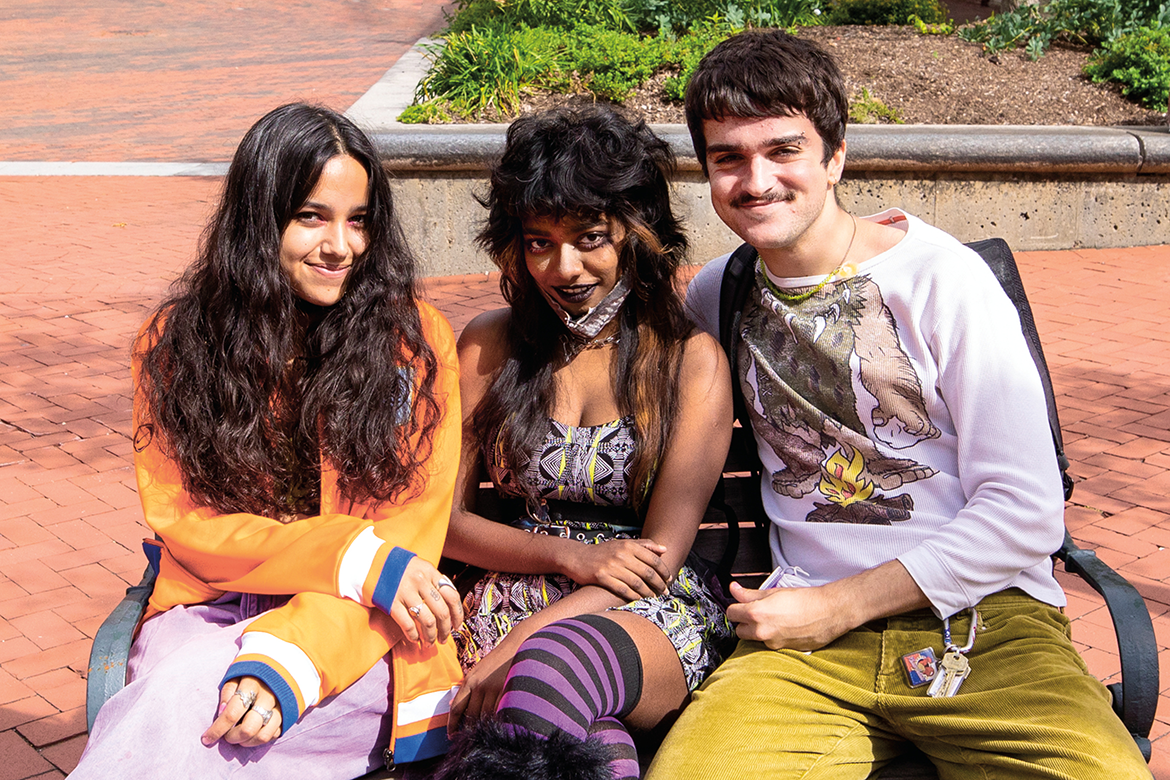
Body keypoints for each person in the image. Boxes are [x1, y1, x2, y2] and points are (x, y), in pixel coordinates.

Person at [647, 29, 1153, 780]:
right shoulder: (717, 292)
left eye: (783, 149)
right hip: (804, 651)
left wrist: (838, 606)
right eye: (729, 158)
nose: (756, 181)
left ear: (836, 155)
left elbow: (1025, 510)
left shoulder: (945, 281)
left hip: (985, 626)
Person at [71, 103, 464, 779]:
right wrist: (347, 552)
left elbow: (408, 533)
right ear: (259, 218)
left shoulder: (414, 342)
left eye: (359, 219)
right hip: (209, 604)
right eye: (311, 216)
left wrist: (289, 657)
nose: (342, 245)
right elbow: (186, 523)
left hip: (360, 625)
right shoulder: (177, 344)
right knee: (188, 707)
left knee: (183, 720)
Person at [434, 106, 736, 780]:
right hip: (513, 593)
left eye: (590, 238)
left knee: (544, 671)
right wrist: (573, 556)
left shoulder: (690, 362)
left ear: (638, 232)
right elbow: (440, 524)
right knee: (591, 744)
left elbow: (657, 559)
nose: (562, 267)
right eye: (539, 242)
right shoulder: (493, 343)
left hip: (643, 611)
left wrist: (523, 640)